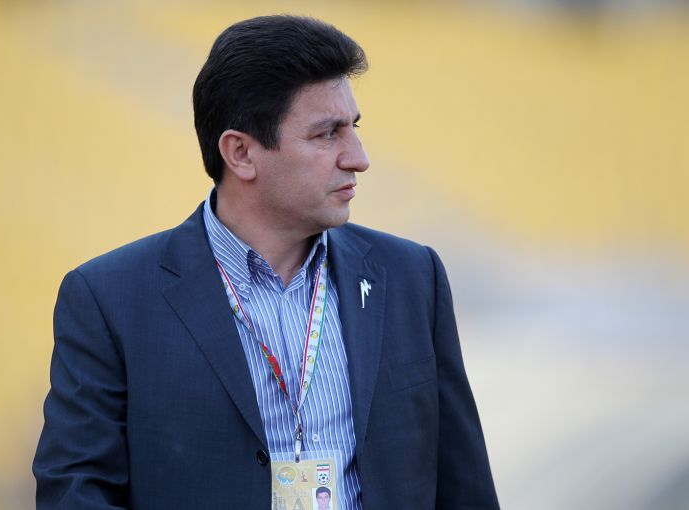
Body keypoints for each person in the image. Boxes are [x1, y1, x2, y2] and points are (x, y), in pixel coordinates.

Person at [33, 15, 499, 509]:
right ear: (240, 153)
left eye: (354, 128)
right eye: (328, 134)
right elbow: (76, 494)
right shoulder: (110, 299)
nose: (358, 157)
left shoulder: (411, 277)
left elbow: (464, 485)